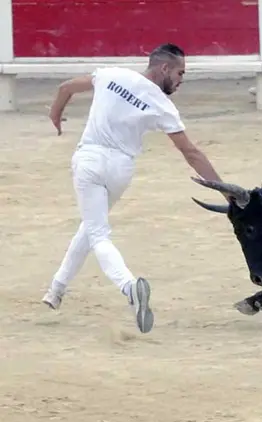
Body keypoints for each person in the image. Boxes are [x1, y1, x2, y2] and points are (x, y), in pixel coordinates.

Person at [42, 43, 225, 334]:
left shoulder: (111, 74)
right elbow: (191, 154)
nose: (181, 80)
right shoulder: (162, 105)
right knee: (91, 227)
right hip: (120, 169)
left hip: (90, 160)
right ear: (164, 68)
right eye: (180, 73)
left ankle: (129, 287)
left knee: (97, 232)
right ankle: (56, 290)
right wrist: (224, 190)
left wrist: (55, 114)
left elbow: (66, 88)